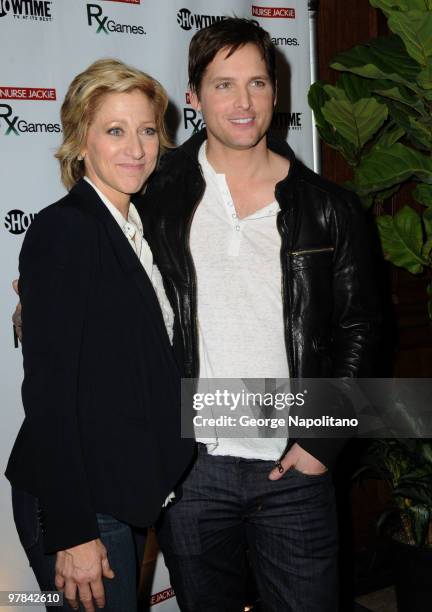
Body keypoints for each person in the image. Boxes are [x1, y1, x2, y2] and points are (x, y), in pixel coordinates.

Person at [139, 18, 381, 612]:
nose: (243, 103)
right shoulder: (152, 193)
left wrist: (322, 442)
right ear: (193, 97)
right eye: (224, 85)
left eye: (257, 84)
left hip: (294, 467)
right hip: (191, 468)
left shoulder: (329, 208)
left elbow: (363, 331)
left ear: (277, 92)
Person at [6, 58, 194, 612]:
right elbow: (49, 395)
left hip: (119, 493)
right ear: (80, 141)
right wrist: (72, 531)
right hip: (82, 503)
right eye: (115, 130)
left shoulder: (132, 227)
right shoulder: (66, 230)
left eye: (147, 130)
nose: (136, 147)